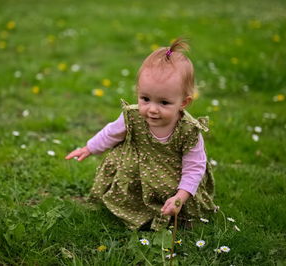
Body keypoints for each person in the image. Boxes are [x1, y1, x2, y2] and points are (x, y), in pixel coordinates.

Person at [65, 38, 217, 231]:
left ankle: (174, 211)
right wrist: (89, 147)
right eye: (145, 99)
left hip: (171, 178)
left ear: (184, 102)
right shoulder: (133, 116)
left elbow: (195, 167)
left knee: (178, 199)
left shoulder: (189, 131)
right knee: (127, 179)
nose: (152, 109)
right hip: (136, 170)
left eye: (164, 103)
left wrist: (181, 196)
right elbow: (111, 133)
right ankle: (133, 211)